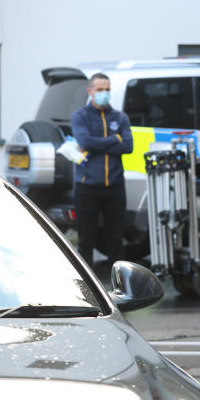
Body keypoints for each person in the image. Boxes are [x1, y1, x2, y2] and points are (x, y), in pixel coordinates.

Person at [71, 72, 133, 268]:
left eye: (107, 89)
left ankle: (121, 284)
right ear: (90, 91)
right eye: (100, 90)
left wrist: (97, 144)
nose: (104, 93)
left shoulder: (120, 117)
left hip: (115, 187)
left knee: (116, 239)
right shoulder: (80, 116)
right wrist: (115, 139)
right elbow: (85, 141)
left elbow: (128, 147)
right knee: (86, 240)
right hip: (87, 187)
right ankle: (88, 289)